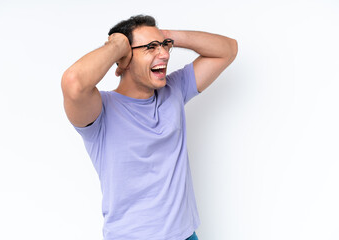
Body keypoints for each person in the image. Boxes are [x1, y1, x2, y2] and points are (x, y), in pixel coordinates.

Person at [61, 15, 238, 240]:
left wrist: (166, 36)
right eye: (150, 47)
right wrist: (116, 45)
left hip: (185, 234)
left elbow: (228, 49)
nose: (164, 54)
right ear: (123, 60)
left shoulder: (174, 90)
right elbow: (73, 82)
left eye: (164, 47)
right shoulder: (100, 111)